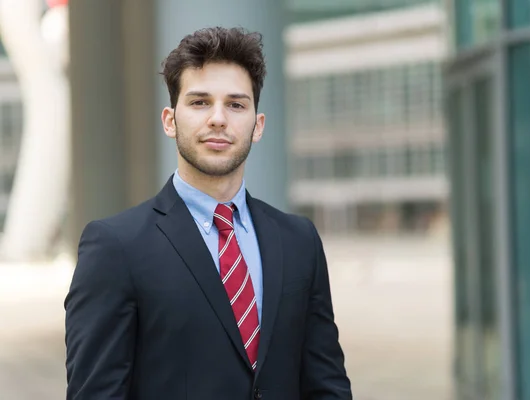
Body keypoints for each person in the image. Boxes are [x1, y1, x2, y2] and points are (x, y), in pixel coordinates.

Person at [64, 26, 352, 400]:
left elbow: (327, 385)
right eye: (200, 102)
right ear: (170, 120)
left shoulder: (299, 240)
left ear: (258, 125)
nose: (218, 118)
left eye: (236, 104)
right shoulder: (116, 247)